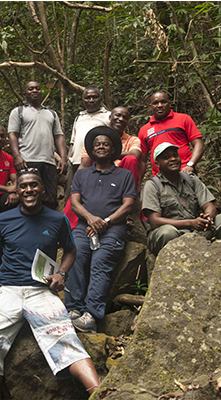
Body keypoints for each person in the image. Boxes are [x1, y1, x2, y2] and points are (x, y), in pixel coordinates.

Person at [0, 169, 100, 399]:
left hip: (41, 291)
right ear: (17, 190)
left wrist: (61, 273)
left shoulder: (58, 219)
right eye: (23, 186)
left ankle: (100, 393)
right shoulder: (4, 219)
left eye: (34, 185)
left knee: (66, 340)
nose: (29, 190)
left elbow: (71, 250)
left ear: (42, 189)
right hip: (7, 289)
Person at [65, 126, 136, 333]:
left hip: (112, 229)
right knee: (75, 256)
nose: (101, 147)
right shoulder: (82, 174)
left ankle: (91, 315)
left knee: (100, 263)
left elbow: (128, 204)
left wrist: (105, 221)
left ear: (113, 149)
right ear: (92, 149)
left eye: (106, 144)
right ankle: (72, 309)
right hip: (84, 227)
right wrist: (91, 219)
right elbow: (75, 203)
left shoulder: (124, 175)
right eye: (97, 144)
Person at [141, 143, 221, 255]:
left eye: (175, 155)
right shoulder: (152, 185)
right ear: (158, 164)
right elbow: (155, 221)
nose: (173, 159)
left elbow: (209, 206)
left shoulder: (191, 180)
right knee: (167, 232)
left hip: (195, 233)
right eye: (166, 157)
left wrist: (206, 220)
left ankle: (215, 258)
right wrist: (190, 223)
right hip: (170, 234)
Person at [8, 81, 68, 209]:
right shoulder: (18, 112)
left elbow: (58, 136)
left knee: (50, 198)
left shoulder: (51, 113)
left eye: (37, 88)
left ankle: (47, 228)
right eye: (30, 89)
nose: (34, 91)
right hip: (27, 160)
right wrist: (17, 156)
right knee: (26, 196)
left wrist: (63, 157)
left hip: (48, 162)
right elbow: (13, 134)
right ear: (25, 94)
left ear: (41, 92)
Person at [137, 91, 204, 184]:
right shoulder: (144, 130)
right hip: (160, 179)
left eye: (163, 102)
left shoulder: (183, 119)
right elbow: (142, 160)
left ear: (169, 104)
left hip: (185, 172)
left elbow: (198, 144)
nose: (159, 105)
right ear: (150, 106)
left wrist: (190, 165)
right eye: (155, 103)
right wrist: (139, 183)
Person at [65, 85, 110, 199]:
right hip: (75, 162)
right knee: (70, 196)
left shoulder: (108, 116)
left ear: (100, 99)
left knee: (90, 196)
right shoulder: (79, 117)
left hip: (94, 163)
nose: (91, 100)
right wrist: (68, 158)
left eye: (94, 97)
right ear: (83, 100)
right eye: (88, 97)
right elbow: (73, 141)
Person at [80, 106, 142, 190]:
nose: (120, 119)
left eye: (125, 117)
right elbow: (85, 163)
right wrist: (77, 181)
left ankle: (129, 192)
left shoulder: (132, 139)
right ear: (110, 117)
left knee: (131, 159)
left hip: (121, 178)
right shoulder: (95, 138)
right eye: (118, 115)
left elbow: (136, 154)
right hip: (98, 176)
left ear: (127, 122)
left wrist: (107, 154)